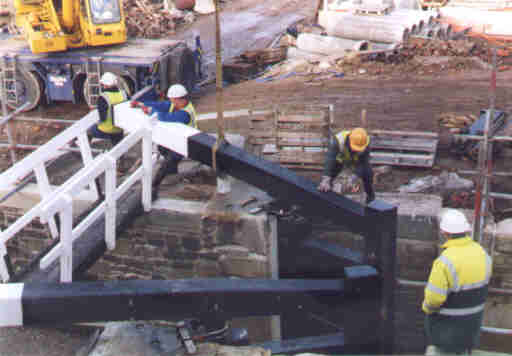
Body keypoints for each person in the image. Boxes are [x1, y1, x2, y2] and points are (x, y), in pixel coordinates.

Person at [423, 209, 492, 355]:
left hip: (447, 333)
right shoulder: (483, 254)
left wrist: (427, 309)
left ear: (445, 233)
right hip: (472, 328)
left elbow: (433, 300)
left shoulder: (444, 262)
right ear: (466, 231)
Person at [130, 83, 197, 199]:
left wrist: (150, 111)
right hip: (176, 139)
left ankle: (154, 185)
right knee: (161, 146)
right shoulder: (175, 104)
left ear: (179, 99)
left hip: (186, 143)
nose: (171, 102)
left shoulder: (185, 114)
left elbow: (165, 118)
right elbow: (160, 105)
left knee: (169, 160)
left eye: (172, 100)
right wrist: (141, 104)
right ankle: (172, 171)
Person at [317, 127, 375, 204]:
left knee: (368, 172)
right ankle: (324, 196)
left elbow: (363, 163)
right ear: (350, 140)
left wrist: (353, 177)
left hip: (357, 160)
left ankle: (371, 199)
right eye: (355, 148)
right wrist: (326, 178)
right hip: (341, 158)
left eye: (359, 149)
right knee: (330, 175)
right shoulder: (338, 139)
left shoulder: (365, 142)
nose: (357, 150)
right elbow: (330, 158)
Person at [88, 72, 128, 148]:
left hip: (106, 130)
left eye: (102, 84)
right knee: (116, 141)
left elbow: (102, 118)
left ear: (105, 85)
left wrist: (95, 111)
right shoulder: (124, 94)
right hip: (120, 129)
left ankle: (84, 151)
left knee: (89, 130)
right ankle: (120, 156)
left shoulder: (103, 97)